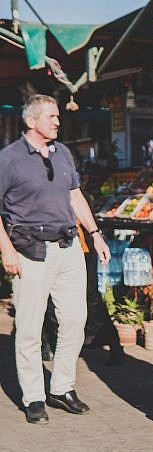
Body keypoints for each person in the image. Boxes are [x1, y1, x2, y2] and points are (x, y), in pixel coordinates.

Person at [0, 94, 111, 424]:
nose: (58, 121)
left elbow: (75, 195)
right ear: (31, 121)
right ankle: (34, 397)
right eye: (51, 116)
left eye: (58, 116)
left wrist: (94, 232)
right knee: (31, 328)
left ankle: (62, 388)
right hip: (30, 251)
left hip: (68, 246)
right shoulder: (9, 159)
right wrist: (6, 249)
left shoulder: (63, 153)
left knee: (75, 321)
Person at [41, 221, 125, 365]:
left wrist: (95, 235)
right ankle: (49, 343)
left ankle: (112, 342)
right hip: (48, 242)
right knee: (48, 297)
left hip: (81, 241)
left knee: (90, 296)